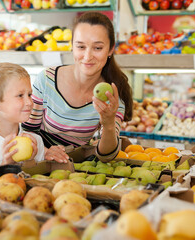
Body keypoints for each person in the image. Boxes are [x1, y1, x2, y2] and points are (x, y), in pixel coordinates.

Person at [21, 12, 133, 163]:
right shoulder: (46, 80)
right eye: (81, 46)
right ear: (72, 46)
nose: (87, 56)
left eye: (97, 48)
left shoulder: (112, 94)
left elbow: (106, 156)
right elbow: (27, 131)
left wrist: (108, 124)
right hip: (37, 164)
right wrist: (45, 151)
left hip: (74, 171)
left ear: (110, 50)